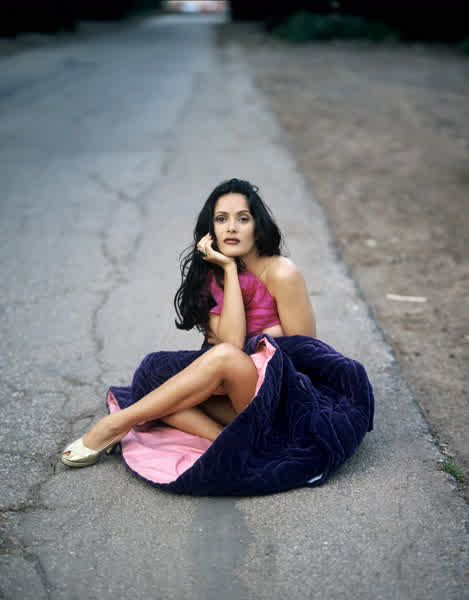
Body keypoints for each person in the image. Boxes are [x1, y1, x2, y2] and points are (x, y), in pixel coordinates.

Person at [61, 178, 316, 467]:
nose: (231, 227)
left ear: (257, 226)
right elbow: (230, 341)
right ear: (211, 230)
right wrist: (229, 270)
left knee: (217, 360)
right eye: (222, 219)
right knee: (154, 381)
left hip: (279, 397)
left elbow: (304, 352)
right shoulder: (215, 274)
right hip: (236, 392)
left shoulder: (282, 272)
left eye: (243, 218)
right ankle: (225, 441)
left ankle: (116, 424)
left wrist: (259, 343)